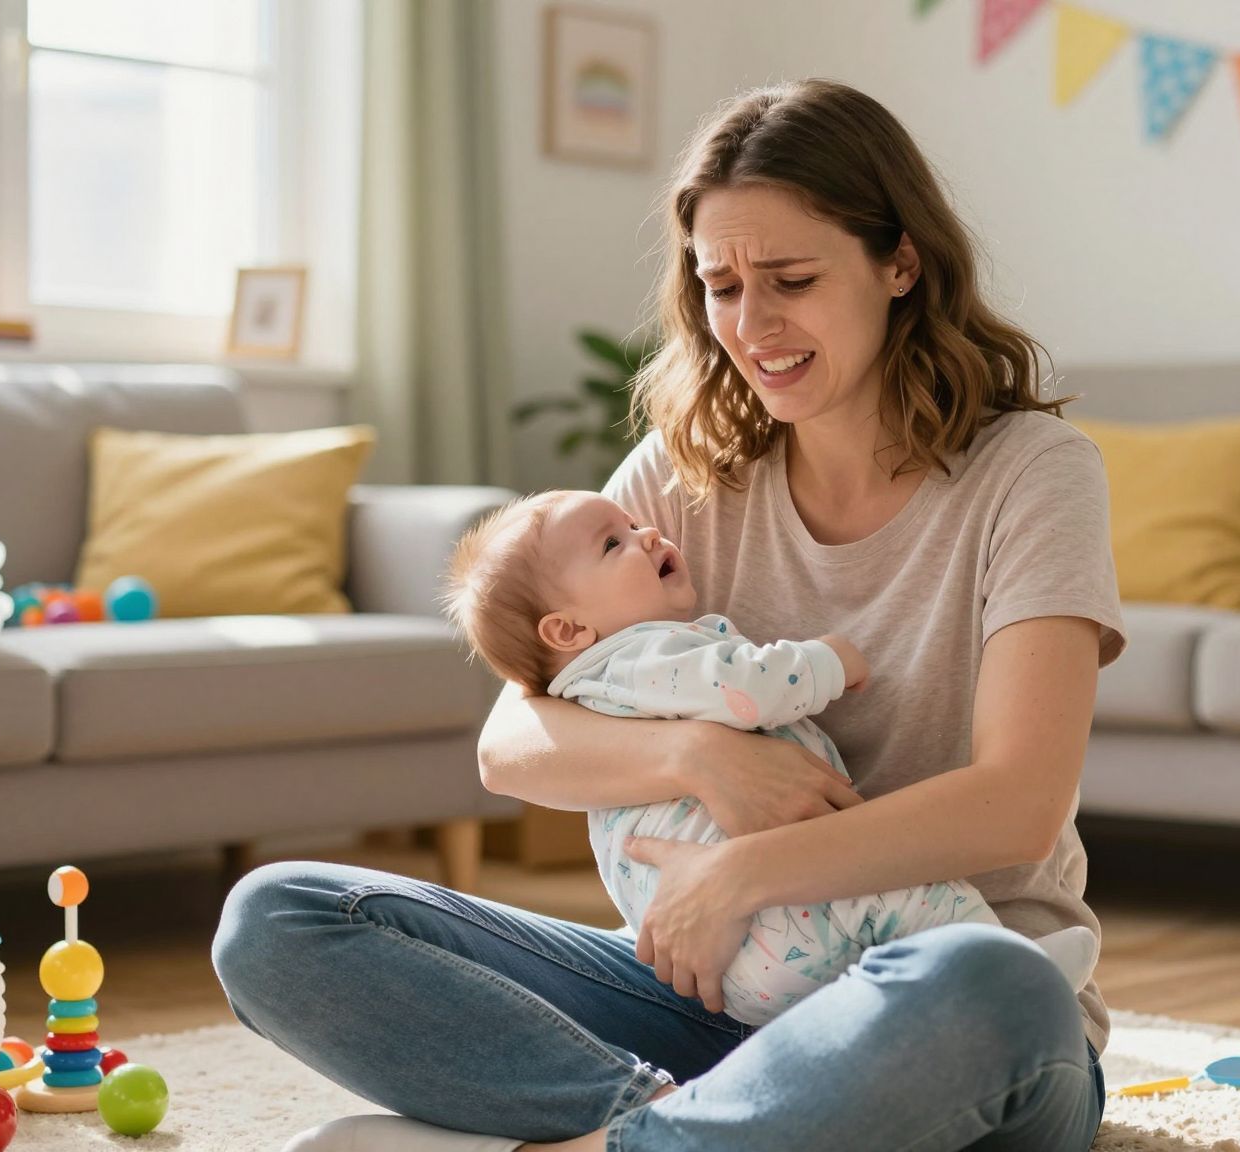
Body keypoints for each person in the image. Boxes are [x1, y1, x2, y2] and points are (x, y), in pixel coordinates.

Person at [212, 77, 1125, 1152]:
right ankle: (655, 1130)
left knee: (991, 986)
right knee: (281, 917)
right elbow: (512, 743)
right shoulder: (688, 470)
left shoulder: (1032, 473)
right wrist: (703, 757)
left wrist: (738, 872)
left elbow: (1015, 805)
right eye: (720, 287)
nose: (752, 325)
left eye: (789, 279)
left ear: (899, 263)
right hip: (714, 1002)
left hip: (937, 1012)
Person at [437, 488, 1099, 1027]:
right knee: (911, 899)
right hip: (759, 923)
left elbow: (1021, 807)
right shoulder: (645, 655)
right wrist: (827, 662)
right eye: (616, 542)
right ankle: (1017, 974)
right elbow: (747, 687)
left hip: (730, 966)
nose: (647, 534)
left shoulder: (593, 683)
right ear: (569, 630)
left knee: (902, 1001)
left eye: (635, 523)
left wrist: (731, 873)